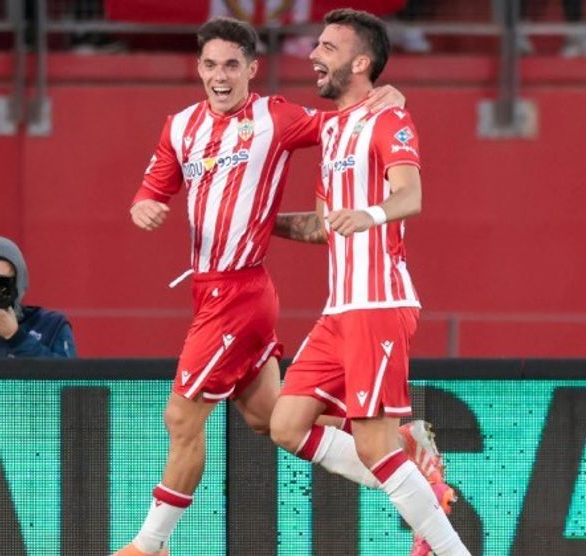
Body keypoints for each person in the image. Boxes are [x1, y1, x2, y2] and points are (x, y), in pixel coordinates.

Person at [113, 16, 438, 556]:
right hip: (208, 291)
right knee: (274, 421)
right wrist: (142, 206)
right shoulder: (180, 126)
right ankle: (407, 462)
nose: (220, 76)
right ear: (198, 68)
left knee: (181, 415)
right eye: (210, 65)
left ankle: (150, 545)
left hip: (240, 293)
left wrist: (391, 95)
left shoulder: (276, 117)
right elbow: (153, 190)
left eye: (231, 65)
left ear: (251, 69)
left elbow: (347, 118)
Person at [270, 9, 469, 555]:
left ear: (360, 63)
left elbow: (411, 195)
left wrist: (371, 214)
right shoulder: (331, 130)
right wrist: (261, 223)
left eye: (328, 48)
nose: (314, 55)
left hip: (378, 303)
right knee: (286, 425)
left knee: (375, 447)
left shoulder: (390, 117)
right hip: (339, 311)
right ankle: (416, 471)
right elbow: (322, 226)